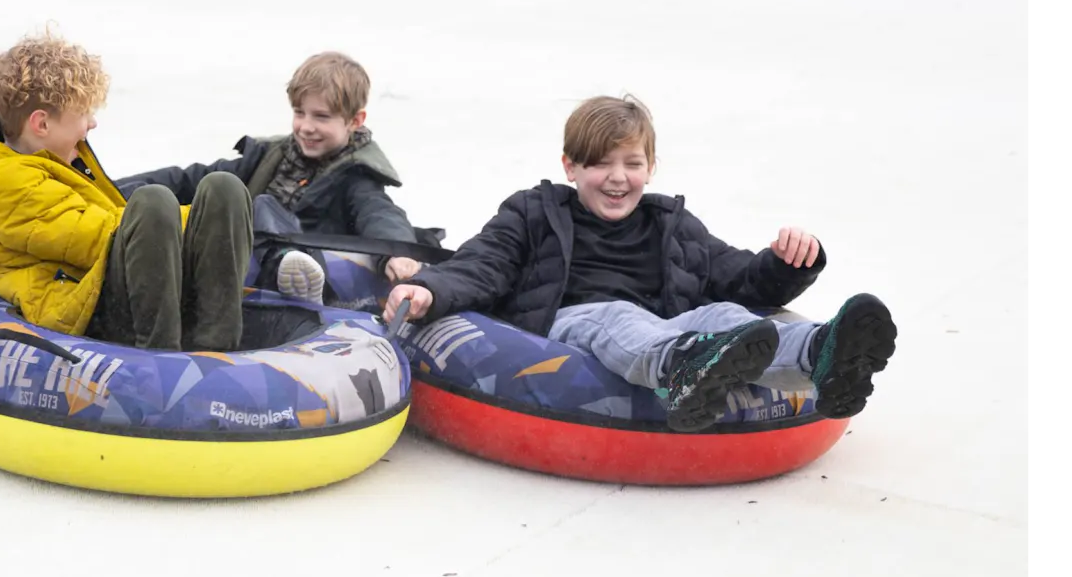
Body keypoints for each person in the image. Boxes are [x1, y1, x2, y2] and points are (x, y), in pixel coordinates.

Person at [382, 95, 898, 432]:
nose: (616, 178)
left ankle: (823, 354)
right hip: (576, 321)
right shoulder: (536, 212)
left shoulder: (671, 225)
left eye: (631, 164)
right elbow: (484, 263)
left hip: (665, 325)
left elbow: (736, 277)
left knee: (727, 318)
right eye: (600, 163)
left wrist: (787, 262)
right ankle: (685, 370)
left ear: (651, 168)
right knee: (619, 317)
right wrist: (430, 288)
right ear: (570, 166)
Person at [0, 29, 252, 352]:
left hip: (108, 283)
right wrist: (195, 227)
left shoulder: (54, 153)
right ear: (41, 125)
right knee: (152, 205)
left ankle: (218, 348)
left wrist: (212, 221)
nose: (91, 124)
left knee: (225, 189)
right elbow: (97, 237)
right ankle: (160, 356)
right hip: (81, 307)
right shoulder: (4, 182)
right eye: (83, 114)